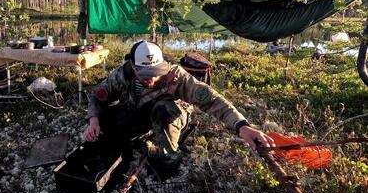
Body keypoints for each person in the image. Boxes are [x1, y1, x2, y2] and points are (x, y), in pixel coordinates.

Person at [83, 40, 275, 167]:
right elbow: (98, 97)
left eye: (155, 72)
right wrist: (93, 121)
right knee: (105, 121)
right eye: (145, 74)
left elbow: (212, 99)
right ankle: (138, 139)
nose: (151, 79)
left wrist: (242, 126)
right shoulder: (122, 74)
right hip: (138, 111)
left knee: (164, 111)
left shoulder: (176, 76)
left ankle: (169, 155)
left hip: (168, 113)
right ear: (133, 66)